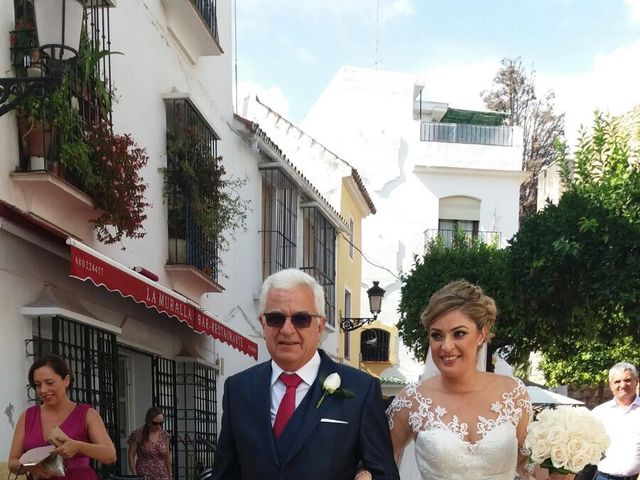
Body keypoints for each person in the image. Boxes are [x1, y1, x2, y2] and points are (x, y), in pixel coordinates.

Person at [212, 268, 399, 480]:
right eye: (276, 318)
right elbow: (225, 472)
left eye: (301, 319)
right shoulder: (238, 389)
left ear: (320, 326)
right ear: (263, 324)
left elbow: (384, 474)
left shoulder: (360, 390)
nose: (287, 329)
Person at [386, 280, 574, 480]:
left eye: (459, 334)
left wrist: (559, 470)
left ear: (482, 334)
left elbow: (523, 463)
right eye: (437, 336)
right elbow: (378, 462)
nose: (446, 346)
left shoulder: (513, 393)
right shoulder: (412, 401)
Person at [8, 354, 116, 479]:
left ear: (66, 380)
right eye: (38, 384)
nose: (43, 390)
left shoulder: (86, 414)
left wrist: (79, 446)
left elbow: (110, 455)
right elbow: (12, 462)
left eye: (49, 382)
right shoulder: (27, 416)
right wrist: (29, 467)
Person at [591, 362, 640, 480]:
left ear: (636, 381)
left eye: (627, 380)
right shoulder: (599, 413)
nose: (623, 385)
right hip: (603, 477)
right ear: (611, 385)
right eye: (617, 381)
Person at [127, 406, 172, 480]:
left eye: (161, 423)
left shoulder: (164, 435)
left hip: (162, 475)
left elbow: (166, 455)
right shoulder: (138, 434)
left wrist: (170, 473)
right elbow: (131, 455)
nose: (158, 426)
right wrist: (134, 475)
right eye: (155, 423)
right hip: (144, 474)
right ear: (149, 421)